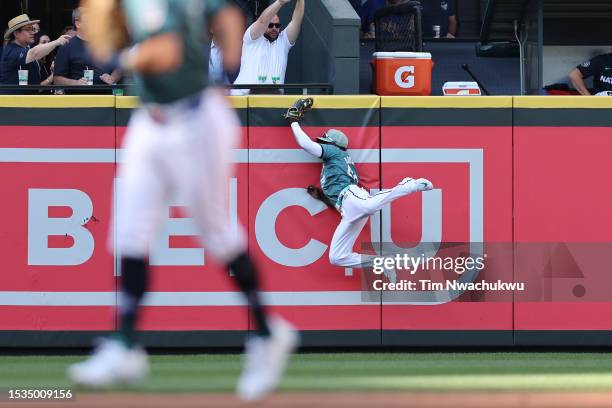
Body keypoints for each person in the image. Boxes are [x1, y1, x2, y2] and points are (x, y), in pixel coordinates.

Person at [67, 0, 298, 402]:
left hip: (196, 122)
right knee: (128, 233)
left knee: (218, 235)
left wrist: (131, 53)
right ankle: (124, 345)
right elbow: (222, 18)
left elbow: (189, 39)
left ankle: (267, 333)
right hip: (151, 120)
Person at [287, 98, 434, 272]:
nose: (322, 143)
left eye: (324, 141)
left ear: (332, 144)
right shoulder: (337, 161)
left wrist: (293, 122)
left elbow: (306, 145)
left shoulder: (335, 152)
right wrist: (322, 197)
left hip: (351, 196)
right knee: (337, 257)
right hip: (346, 208)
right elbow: (338, 203)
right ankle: (382, 262)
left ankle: (407, 185)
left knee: (369, 206)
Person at [232, 0, 304, 95]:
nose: (274, 28)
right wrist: (280, 2)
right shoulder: (252, 37)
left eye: (277, 25)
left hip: (273, 101)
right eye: (270, 25)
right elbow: (262, 21)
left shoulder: (283, 41)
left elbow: (296, 21)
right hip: (243, 97)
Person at [54, 8, 122, 87]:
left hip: (107, 96)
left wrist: (113, 78)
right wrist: (75, 83)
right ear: (78, 24)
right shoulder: (67, 46)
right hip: (80, 97)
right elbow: (57, 80)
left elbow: (119, 67)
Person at [0, 14, 70, 89]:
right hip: (12, 100)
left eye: (32, 29)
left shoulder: (25, 49)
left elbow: (36, 85)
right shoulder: (11, 50)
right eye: (27, 29)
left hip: (27, 99)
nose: (33, 32)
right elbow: (34, 53)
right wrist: (57, 42)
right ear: (16, 33)